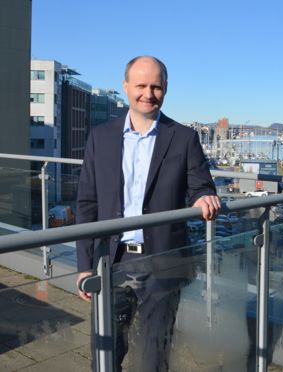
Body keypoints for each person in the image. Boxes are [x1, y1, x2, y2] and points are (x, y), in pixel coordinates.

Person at [75, 55, 221, 371]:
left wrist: (205, 195)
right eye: (141, 85)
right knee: (105, 353)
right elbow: (87, 203)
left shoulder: (183, 137)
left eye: (156, 86)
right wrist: (84, 266)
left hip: (164, 262)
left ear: (165, 89)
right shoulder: (100, 137)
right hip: (111, 261)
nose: (148, 93)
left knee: (156, 356)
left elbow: (200, 184)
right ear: (126, 86)